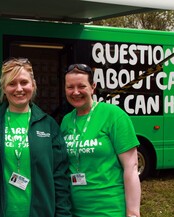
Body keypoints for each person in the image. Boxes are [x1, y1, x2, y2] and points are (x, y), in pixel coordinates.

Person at [0, 58, 71, 217]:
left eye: (24, 82)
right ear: (4, 88)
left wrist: (63, 214)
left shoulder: (48, 125)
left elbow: (60, 176)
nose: (19, 88)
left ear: (33, 85)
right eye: (12, 84)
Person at [60, 63, 141, 217]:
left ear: (93, 87)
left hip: (109, 209)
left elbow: (131, 167)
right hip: (74, 211)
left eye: (81, 86)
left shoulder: (114, 115)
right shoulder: (66, 121)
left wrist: (133, 212)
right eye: (70, 87)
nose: (75, 92)